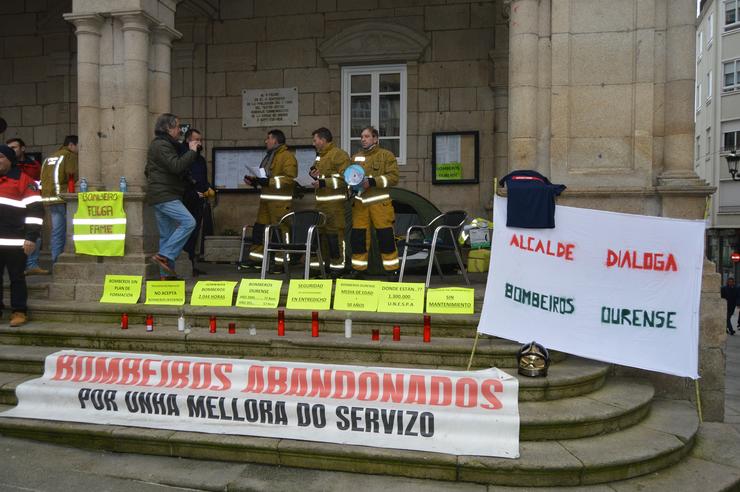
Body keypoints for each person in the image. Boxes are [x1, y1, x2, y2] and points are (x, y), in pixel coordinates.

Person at [145, 113, 199, 278]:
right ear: (168, 128)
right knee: (189, 222)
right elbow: (176, 166)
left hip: (162, 194)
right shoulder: (161, 145)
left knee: (167, 235)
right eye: (177, 127)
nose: (179, 131)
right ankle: (165, 255)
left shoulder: (164, 145)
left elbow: (148, 170)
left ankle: (166, 276)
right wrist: (191, 152)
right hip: (165, 194)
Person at [347, 126, 400, 280]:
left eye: (367, 136)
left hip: (380, 204)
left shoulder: (386, 156)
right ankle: (358, 270)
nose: (363, 139)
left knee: (385, 237)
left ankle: (392, 270)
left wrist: (372, 181)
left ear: (376, 139)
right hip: (360, 205)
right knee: (359, 238)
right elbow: (351, 177)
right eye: (362, 137)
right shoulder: (355, 157)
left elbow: (393, 178)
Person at [0, 144, 43, 327]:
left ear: (10, 159)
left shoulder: (24, 180)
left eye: (1, 157)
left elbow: (36, 211)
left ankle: (19, 311)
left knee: (17, 277)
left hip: (16, 241)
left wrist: (31, 237)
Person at [244, 129, 297, 267]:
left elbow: (289, 179)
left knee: (281, 231)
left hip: (280, 203)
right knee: (259, 229)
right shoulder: (269, 156)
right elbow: (265, 176)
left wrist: (268, 182)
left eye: (268, 138)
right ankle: (257, 259)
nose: (266, 141)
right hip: (266, 201)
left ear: (275, 140)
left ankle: (282, 263)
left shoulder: (287, 157)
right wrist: (255, 181)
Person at [309, 127, 350, 277]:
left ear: (323, 140)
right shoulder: (320, 156)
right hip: (321, 205)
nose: (313, 143)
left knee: (334, 237)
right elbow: (323, 176)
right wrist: (316, 176)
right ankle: (321, 269)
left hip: (335, 206)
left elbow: (346, 179)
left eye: (315, 140)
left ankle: (337, 269)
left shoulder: (339, 155)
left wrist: (324, 182)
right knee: (321, 238)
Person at [7, 138, 46, 275]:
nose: (11, 150)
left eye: (14, 147)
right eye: (9, 148)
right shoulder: (8, 166)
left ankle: (32, 264)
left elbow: (40, 182)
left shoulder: (34, 165)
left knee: (35, 233)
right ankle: (21, 265)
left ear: (22, 148)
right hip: (13, 207)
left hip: (31, 203)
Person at [40, 135, 77, 265]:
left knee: (56, 230)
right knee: (67, 230)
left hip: (49, 198)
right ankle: (61, 259)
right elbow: (72, 173)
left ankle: (55, 258)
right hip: (62, 197)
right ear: (72, 145)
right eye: (77, 147)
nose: (78, 150)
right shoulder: (69, 155)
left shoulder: (50, 157)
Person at [181, 129, 215, 276]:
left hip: (199, 201)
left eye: (201, 140)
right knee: (186, 233)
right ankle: (184, 264)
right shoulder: (183, 155)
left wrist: (208, 189)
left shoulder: (199, 159)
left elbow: (201, 178)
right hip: (186, 199)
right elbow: (182, 178)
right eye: (196, 140)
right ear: (188, 140)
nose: (200, 143)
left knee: (195, 234)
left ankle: (191, 264)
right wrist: (193, 192)